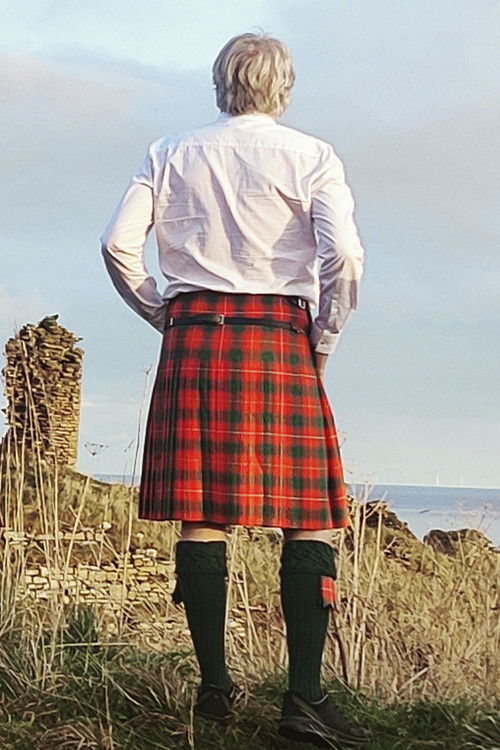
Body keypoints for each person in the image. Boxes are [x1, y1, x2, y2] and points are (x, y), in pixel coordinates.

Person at [100, 31, 368, 747]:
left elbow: (117, 244)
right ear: (284, 87)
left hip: (195, 337)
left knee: (202, 514)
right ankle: (304, 699)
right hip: (279, 338)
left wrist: (162, 311)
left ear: (220, 83)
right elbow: (343, 255)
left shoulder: (168, 152)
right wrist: (324, 338)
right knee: (309, 518)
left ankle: (215, 690)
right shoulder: (312, 156)